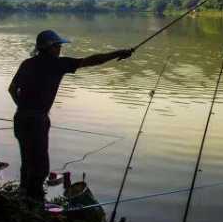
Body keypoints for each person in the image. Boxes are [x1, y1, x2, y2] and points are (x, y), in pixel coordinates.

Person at [8, 30, 134, 202]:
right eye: (58, 46)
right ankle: (35, 202)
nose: (60, 49)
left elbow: (12, 89)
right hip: (38, 120)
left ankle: (23, 195)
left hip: (21, 118)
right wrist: (118, 53)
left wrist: (23, 108)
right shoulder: (58, 64)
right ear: (49, 48)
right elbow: (91, 60)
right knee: (41, 166)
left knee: (27, 158)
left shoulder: (27, 64)